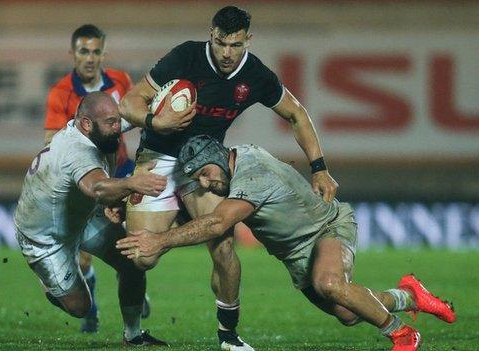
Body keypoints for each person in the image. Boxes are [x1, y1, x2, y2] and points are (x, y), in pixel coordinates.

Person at [118, 6, 338, 350]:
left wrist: (319, 167)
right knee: (141, 257)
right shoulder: (185, 57)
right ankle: (132, 330)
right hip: (159, 155)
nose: (226, 53)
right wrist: (155, 122)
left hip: (203, 162)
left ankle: (228, 337)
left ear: (247, 40)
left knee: (222, 243)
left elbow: (296, 113)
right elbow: (129, 103)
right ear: (211, 34)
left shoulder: (255, 74)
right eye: (221, 43)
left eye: (235, 45)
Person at [116, 135, 456, 351]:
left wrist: (160, 240)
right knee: (349, 313)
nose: (205, 183)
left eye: (206, 173)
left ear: (220, 157)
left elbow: (218, 221)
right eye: (198, 179)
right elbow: (208, 217)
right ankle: (411, 295)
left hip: (327, 229)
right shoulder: (236, 162)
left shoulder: (253, 176)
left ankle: (402, 335)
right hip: (296, 255)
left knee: (329, 283)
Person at [14, 92, 168, 347]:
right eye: (111, 123)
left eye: (118, 121)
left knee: (133, 262)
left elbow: (134, 113)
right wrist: (131, 183)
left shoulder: (97, 127)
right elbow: (97, 188)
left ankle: (133, 336)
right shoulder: (78, 151)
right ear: (86, 124)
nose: (118, 129)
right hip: (46, 238)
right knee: (80, 308)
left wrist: (163, 102)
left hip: (82, 218)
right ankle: (49, 282)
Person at [43, 24, 140, 332]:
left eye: (96, 51)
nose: (90, 58)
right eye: (84, 51)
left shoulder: (121, 80)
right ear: (73, 53)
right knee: (85, 256)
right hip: (85, 183)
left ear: (103, 53)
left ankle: (136, 289)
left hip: (122, 172)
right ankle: (93, 311)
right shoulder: (61, 92)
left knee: (132, 245)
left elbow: (136, 113)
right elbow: (51, 142)